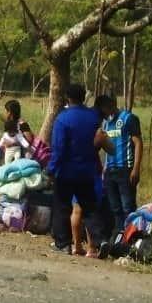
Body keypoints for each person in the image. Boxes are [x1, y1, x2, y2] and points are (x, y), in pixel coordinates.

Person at [47, 83, 113, 254]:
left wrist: (51, 169)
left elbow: (59, 148)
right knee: (90, 209)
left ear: (68, 97)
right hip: (87, 171)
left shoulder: (63, 119)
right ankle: (100, 241)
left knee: (62, 207)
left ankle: (64, 244)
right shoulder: (93, 118)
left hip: (66, 172)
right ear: (84, 97)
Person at [96, 95, 142, 232]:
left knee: (127, 206)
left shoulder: (129, 118)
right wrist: (104, 168)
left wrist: (136, 168)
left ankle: (131, 237)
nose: (102, 112)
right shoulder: (105, 124)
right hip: (110, 170)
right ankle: (118, 237)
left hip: (125, 169)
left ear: (111, 104)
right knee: (115, 207)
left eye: (103, 108)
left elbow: (138, 143)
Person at [0, 99, 32, 163]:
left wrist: (13, 143)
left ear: (10, 112)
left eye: (6, 111)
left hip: (21, 158)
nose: (5, 113)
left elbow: (29, 140)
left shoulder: (22, 124)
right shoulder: (8, 124)